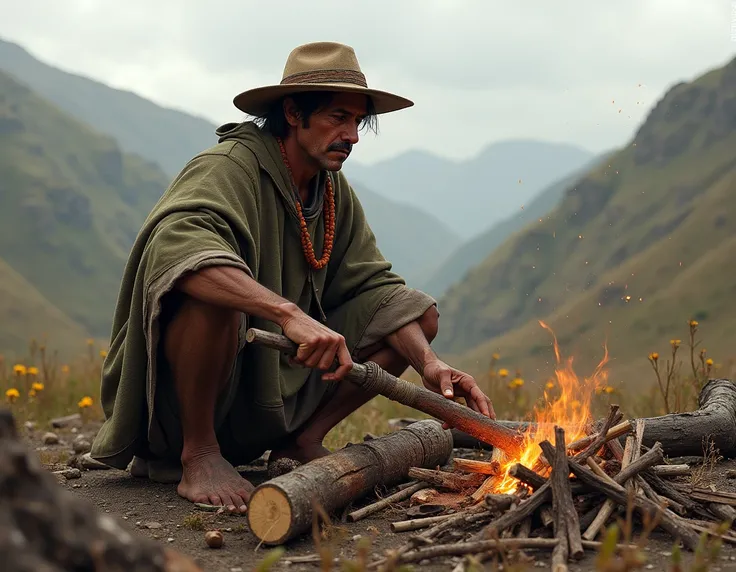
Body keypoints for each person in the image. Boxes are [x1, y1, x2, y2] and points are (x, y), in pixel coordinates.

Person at [90, 41, 495, 514]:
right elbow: (179, 249)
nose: (352, 136)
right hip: (182, 405)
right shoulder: (227, 168)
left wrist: (429, 363)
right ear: (292, 113)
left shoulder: (330, 189)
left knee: (415, 315)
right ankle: (199, 454)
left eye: (358, 122)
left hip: (263, 395)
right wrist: (288, 314)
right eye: (337, 117)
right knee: (208, 289)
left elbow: (377, 291)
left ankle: (300, 442)